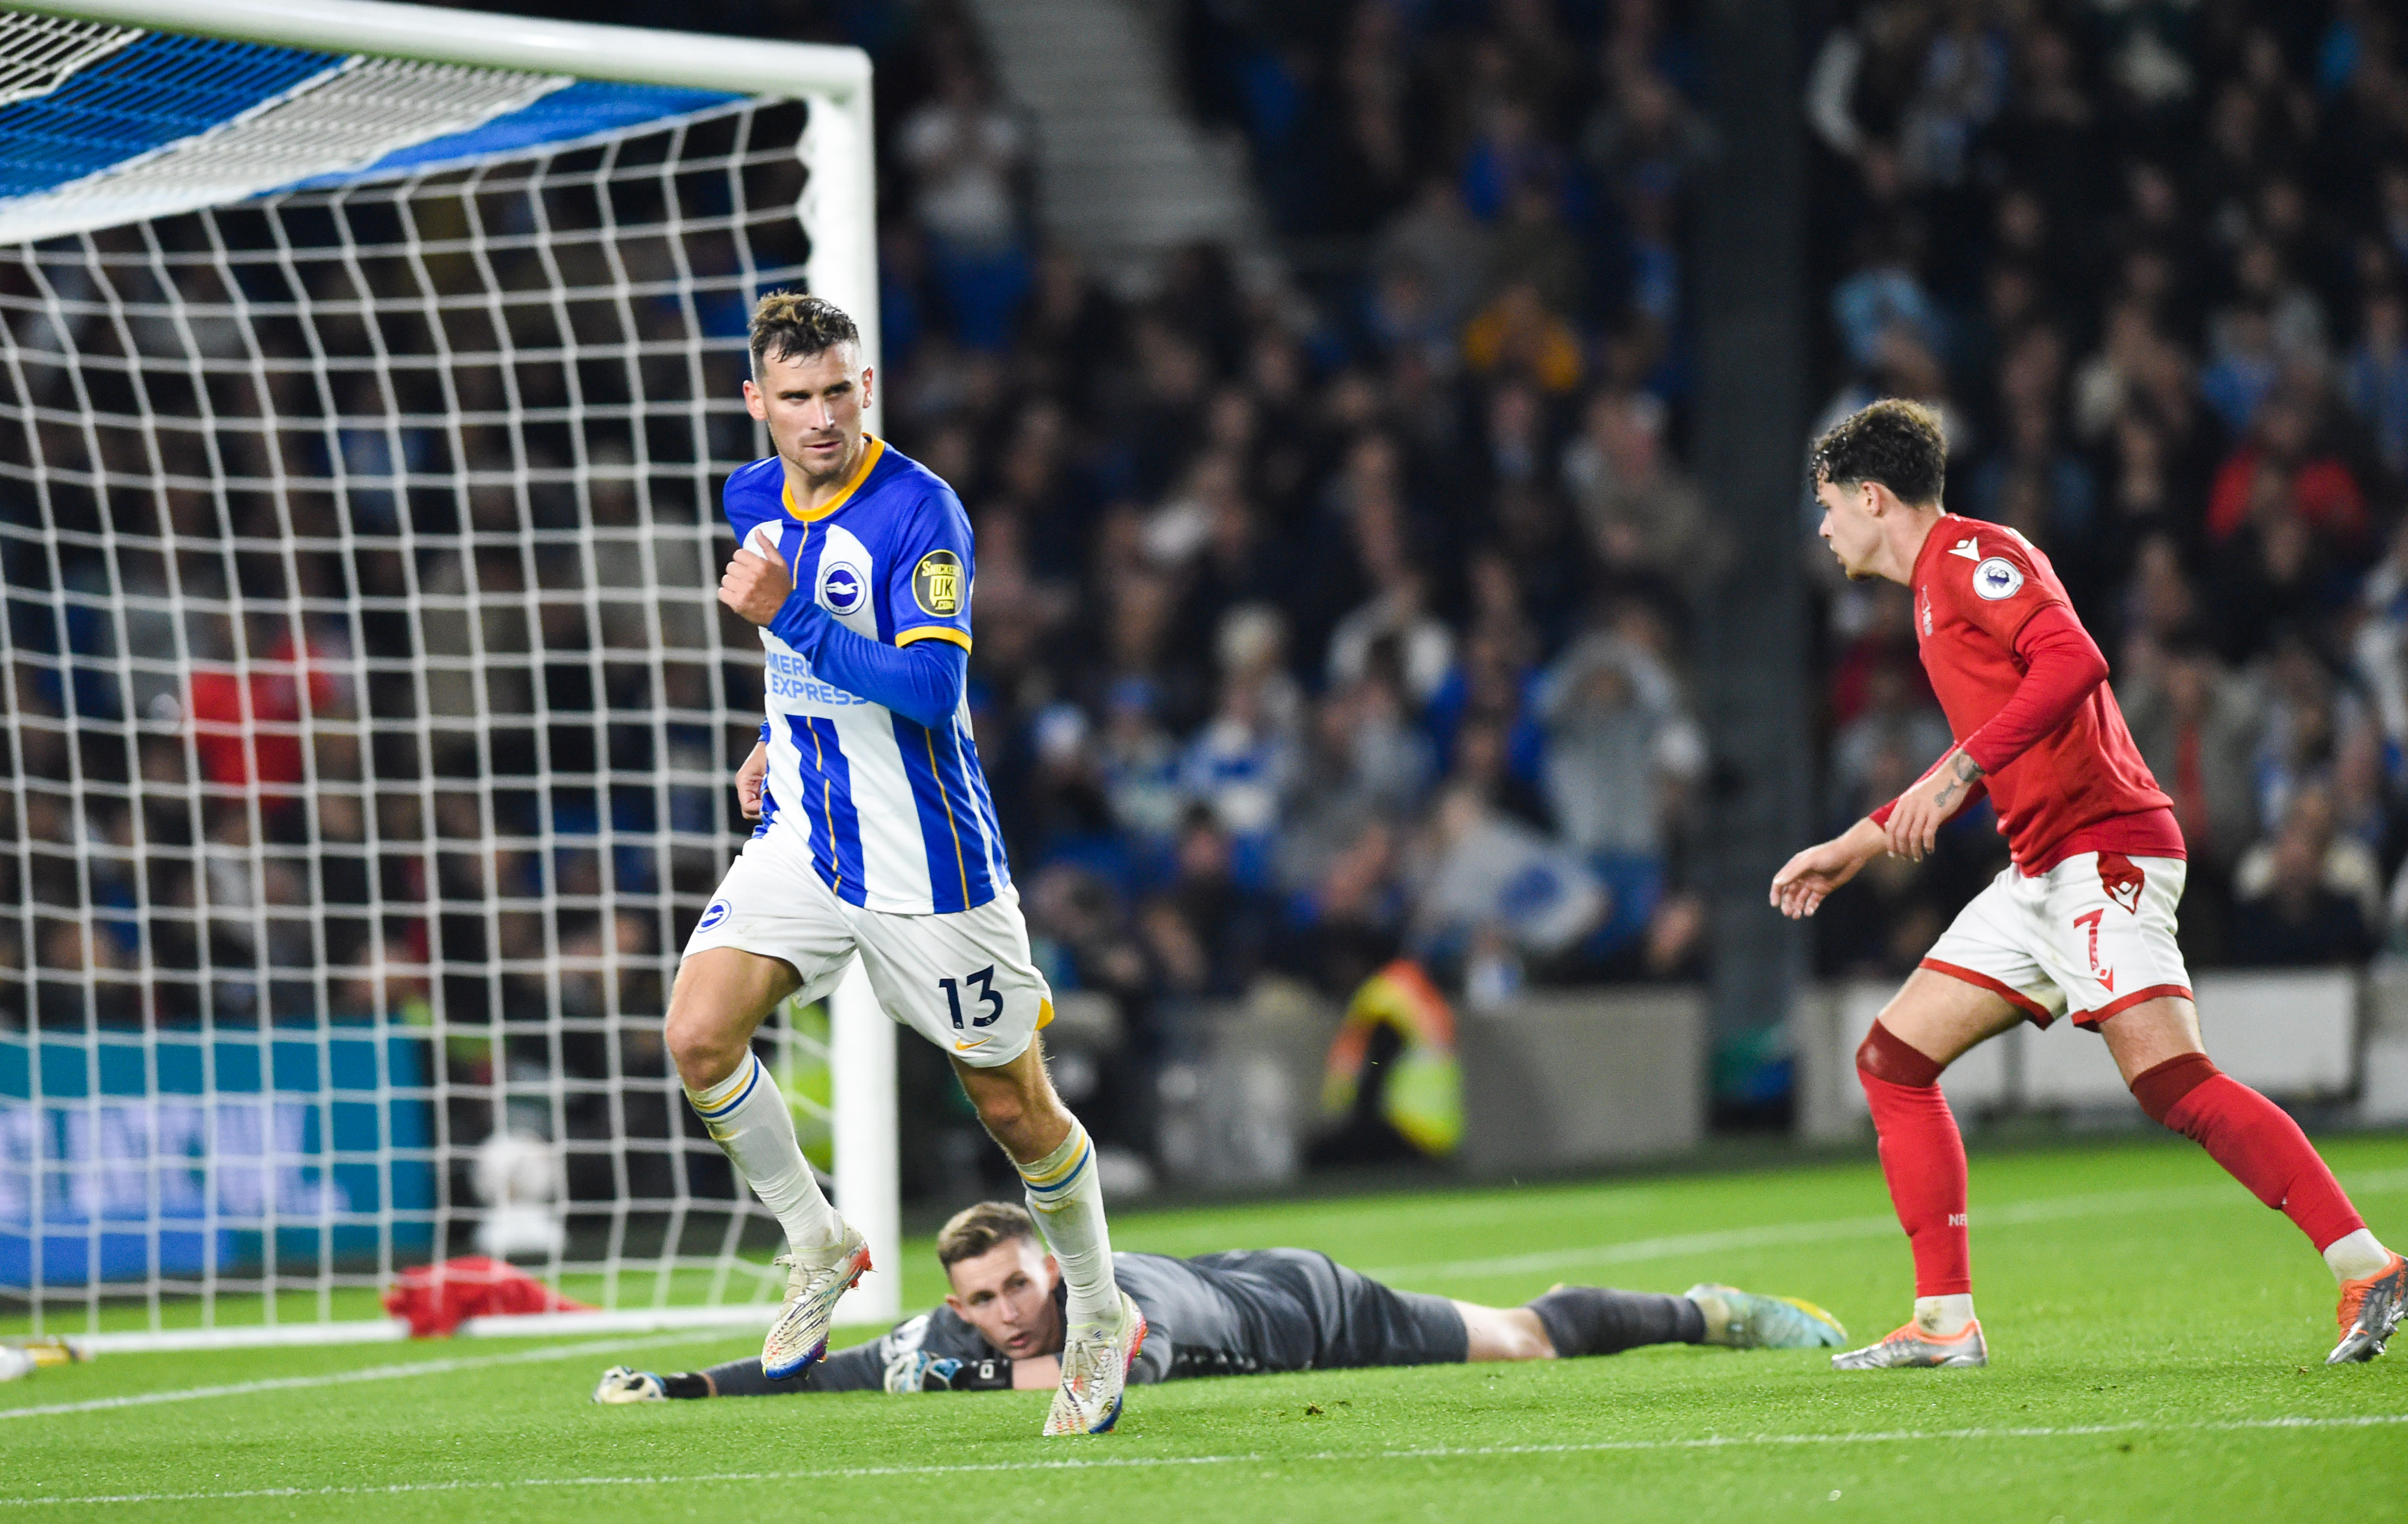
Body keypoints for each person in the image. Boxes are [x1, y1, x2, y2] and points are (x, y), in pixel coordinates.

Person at [1771, 399, 2405, 1371]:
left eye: (1827, 505)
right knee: (1893, 1061)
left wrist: (1955, 780)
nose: (1823, 528)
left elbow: (2074, 659)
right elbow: (1995, 725)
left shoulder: (1977, 555)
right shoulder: (1932, 593)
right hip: (2038, 872)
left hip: (2103, 851)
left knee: (2173, 1084)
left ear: (1872, 496)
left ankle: (2370, 1266)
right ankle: (1944, 1322)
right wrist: (1855, 842)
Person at [664, 294, 1138, 1438]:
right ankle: (817, 1239)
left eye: (837, 390)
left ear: (863, 387)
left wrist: (792, 619)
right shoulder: (749, 496)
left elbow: (931, 689)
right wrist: (776, 735)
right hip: (807, 837)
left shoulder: (919, 510)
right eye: (794, 398)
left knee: (1011, 1106)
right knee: (696, 1034)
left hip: (930, 864)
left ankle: (1098, 1311)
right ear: (755, 405)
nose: (819, 418)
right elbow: (804, 660)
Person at [590, 1200, 1845, 1405]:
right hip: (1251, 1287)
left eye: (1018, 1283)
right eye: (980, 1304)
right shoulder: (958, 1336)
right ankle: (1701, 1311)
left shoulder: (1096, 1309)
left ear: (1048, 1262)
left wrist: (983, 1376)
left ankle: (1706, 1311)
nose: (1006, 1313)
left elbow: (1116, 1365)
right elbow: (839, 1370)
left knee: (1516, 1343)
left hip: (1313, 1307)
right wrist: (693, 1385)